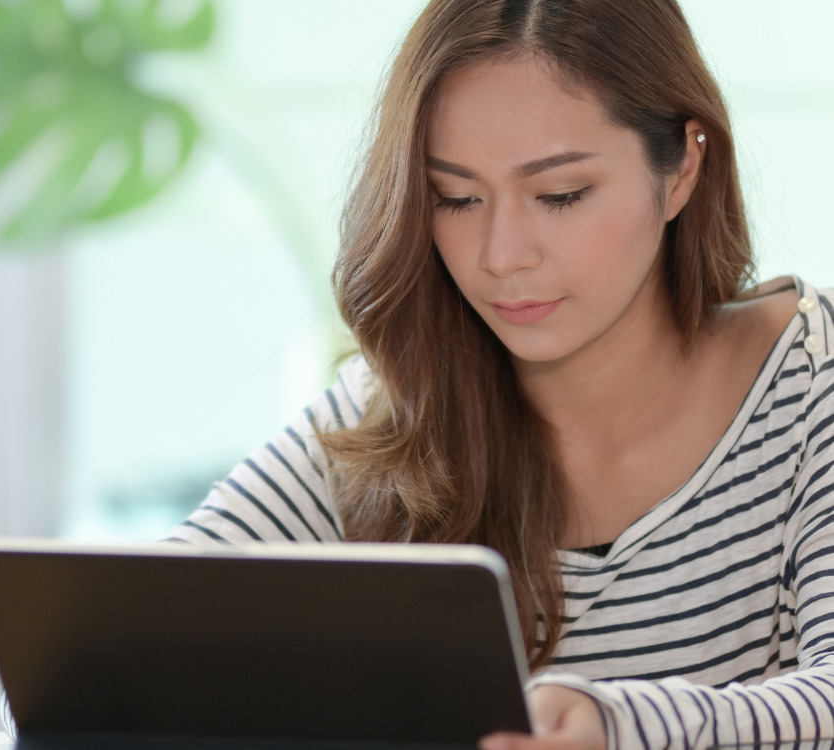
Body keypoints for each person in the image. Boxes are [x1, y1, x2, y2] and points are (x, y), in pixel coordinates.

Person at [168, 0, 834, 748]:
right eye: (456, 197)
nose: (501, 254)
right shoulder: (397, 409)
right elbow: (133, 634)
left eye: (560, 195)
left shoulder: (812, 379)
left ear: (682, 167)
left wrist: (614, 728)